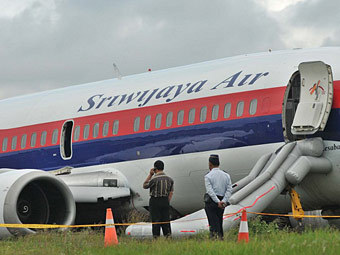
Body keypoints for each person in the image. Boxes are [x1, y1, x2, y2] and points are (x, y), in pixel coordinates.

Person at [143, 160, 174, 238]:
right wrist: (167, 201)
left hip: (155, 201)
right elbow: (171, 191)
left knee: (156, 221)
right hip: (165, 200)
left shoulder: (154, 179)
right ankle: (168, 237)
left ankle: (156, 238)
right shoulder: (170, 179)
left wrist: (150, 174)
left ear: (155, 169)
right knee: (166, 221)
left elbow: (145, 185)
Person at [204, 154, 232, 239]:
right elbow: (229, 189)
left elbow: (210, 191)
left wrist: (217, 201)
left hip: (212, 202)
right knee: (219, 221)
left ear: (210, 164)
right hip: (222, 200)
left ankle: (214, 238)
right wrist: (223, 200)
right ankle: (221, 237)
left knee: (212, 222)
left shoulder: (208, 176)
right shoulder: (226, 175)